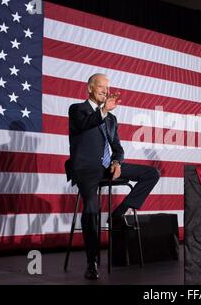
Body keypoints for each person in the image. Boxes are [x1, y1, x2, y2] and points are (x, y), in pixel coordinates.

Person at [67, 73, 160, 280]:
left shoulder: (111, 119)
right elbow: (84, 125)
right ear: (90, 88)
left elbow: (117, 147)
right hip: (87, 169)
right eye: (102, 87)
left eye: (108, 88)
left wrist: (117, 163)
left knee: (151, 173)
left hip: (108, 167)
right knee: (91, 207)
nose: (106, 91)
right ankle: (92, 262)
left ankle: (119, 213)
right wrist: (102, 111)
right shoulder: (77, 109)